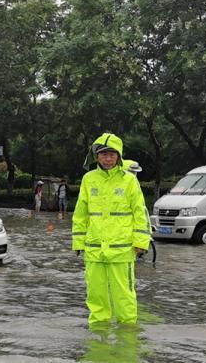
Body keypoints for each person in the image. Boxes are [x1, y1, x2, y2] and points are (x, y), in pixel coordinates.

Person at [72, 133, 150, 325]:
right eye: (104, 154)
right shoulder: (88, 179)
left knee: (124, 296)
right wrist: (78, 243)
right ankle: (98, 342)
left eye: (112, 154)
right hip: (94, 249)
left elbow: (140, 213)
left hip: (122, 250)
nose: (108, 158)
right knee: (96, 296)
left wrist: (141, 243)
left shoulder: (129, 181)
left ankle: (128, 339)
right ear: (97, 156)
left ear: (119, 156)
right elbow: (81, 214)